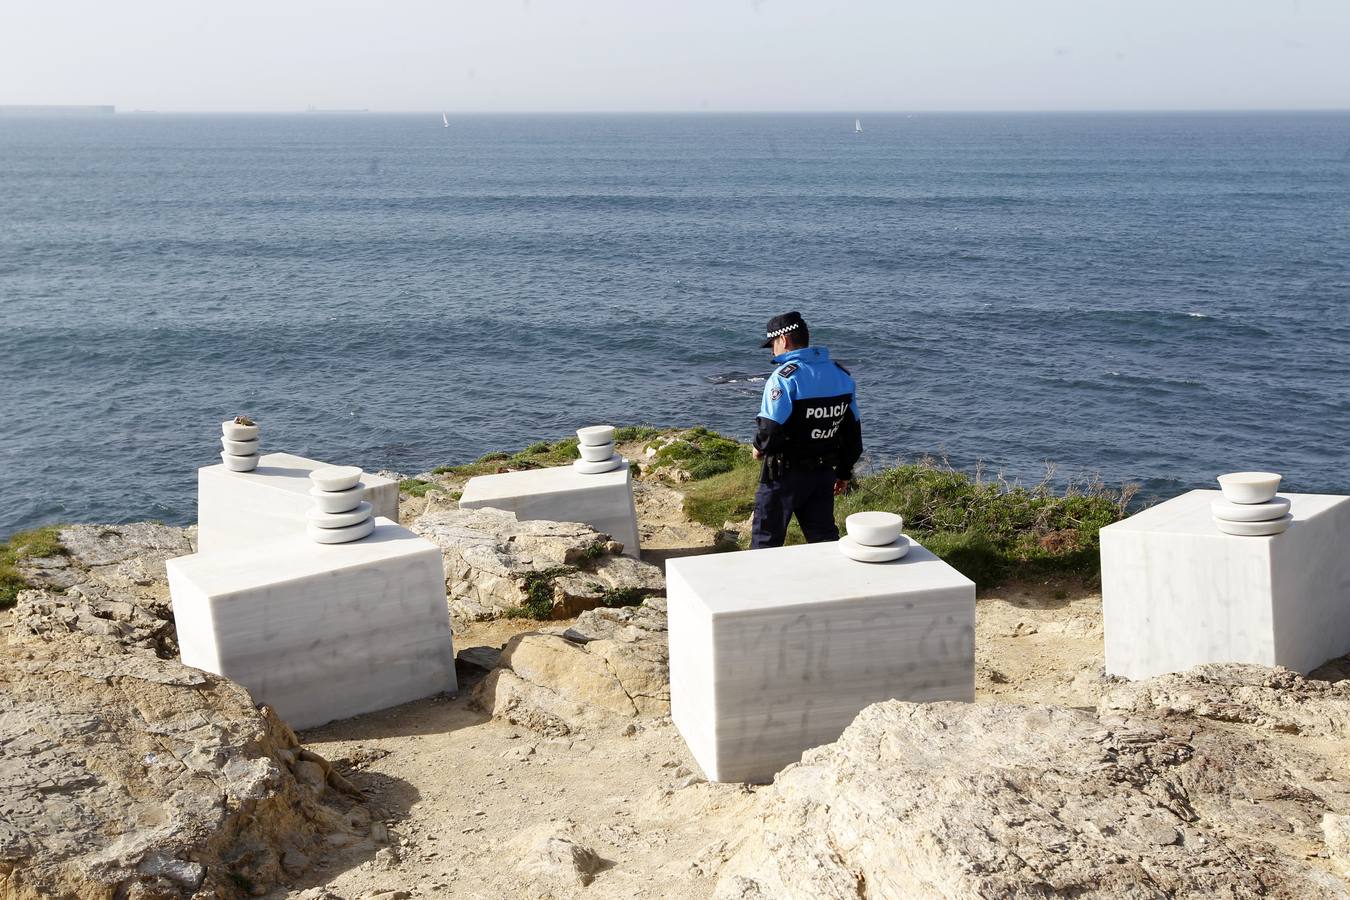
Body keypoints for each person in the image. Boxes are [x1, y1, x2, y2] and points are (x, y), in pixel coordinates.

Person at [750, 311, 862, 549]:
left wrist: (758, 448)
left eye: (772, 344)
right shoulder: (841, 376)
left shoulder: (784, 378)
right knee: (824, 542)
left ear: (784, 341)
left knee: (766, 542)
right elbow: (852, 435)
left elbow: (769, 430)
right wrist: (842, 472)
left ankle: (762, 586)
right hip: (822, 475)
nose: (772, 351)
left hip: (782, 476)